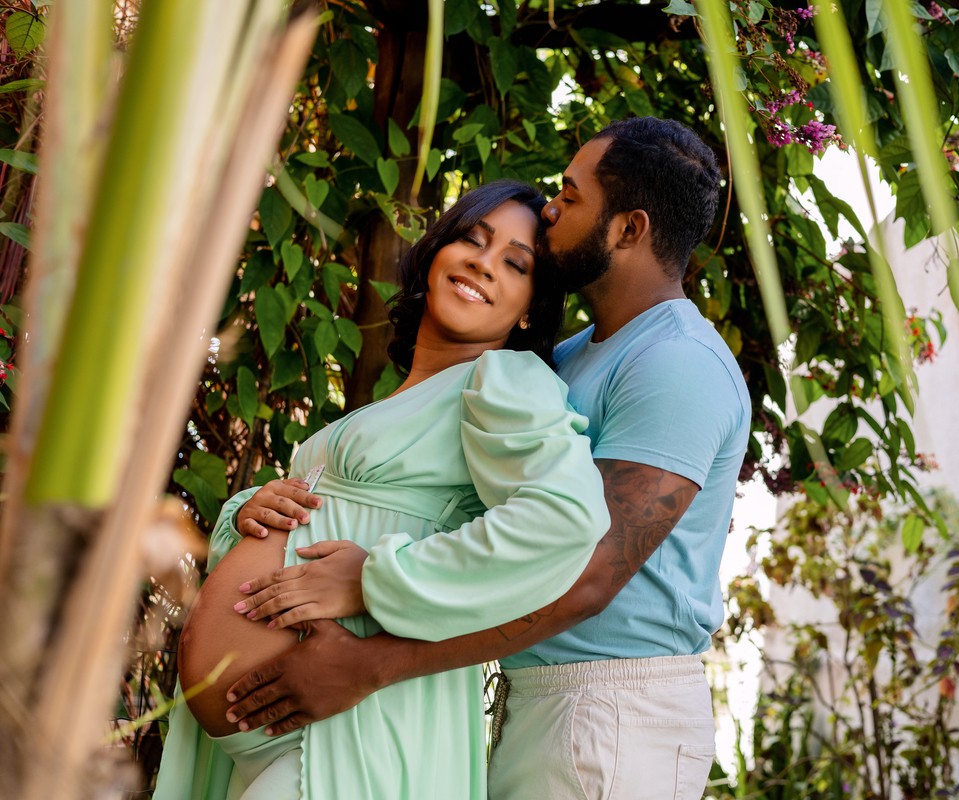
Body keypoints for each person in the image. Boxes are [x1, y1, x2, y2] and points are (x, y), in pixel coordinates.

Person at [226, 117, 751, 799]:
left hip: (612, 711)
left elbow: (590, 576)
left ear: (628, 229)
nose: (552, 209)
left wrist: (372, 661)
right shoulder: (567, 358)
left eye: (570, 195)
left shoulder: (676, 364)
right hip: (536, 692)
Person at [153, 180, 611, 800]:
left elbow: (564, 520)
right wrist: (251, 513)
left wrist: (378, 577)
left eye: (516, 263)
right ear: (435, 254)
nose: (483, 262)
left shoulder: (505, 378)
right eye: (471, 240)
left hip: (353, 729)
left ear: (530, 306)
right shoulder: (399, 400)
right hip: (267, 737)